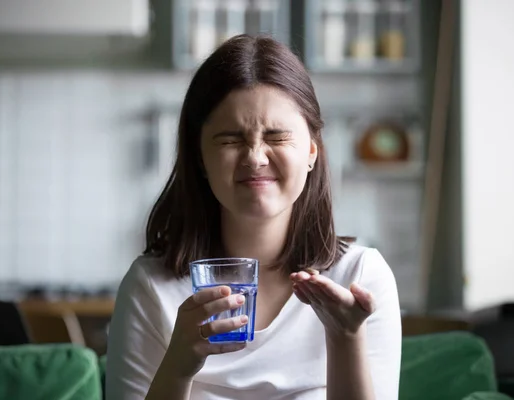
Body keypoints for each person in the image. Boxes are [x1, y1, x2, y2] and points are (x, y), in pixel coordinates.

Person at [105, 34, 401, 400]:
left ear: (311, 151)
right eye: (231, 139)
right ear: (200, 157)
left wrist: (346, 337)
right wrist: (178, 366)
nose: (255, 157)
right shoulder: (150, 286)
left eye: (276, 137)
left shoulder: (360, 279)